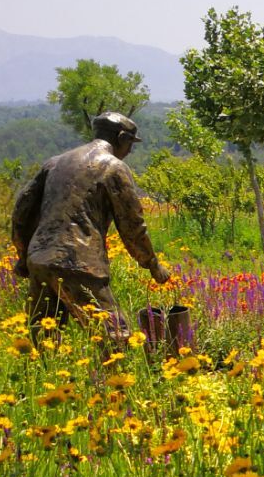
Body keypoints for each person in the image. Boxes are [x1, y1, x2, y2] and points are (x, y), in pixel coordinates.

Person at [11, 111, 168, 339]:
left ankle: (47, 375)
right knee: (115, 336)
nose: (130, 151)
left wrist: (23, 255)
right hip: (78, 261)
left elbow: (21, 211)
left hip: (39, 259)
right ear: (122, 138)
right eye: (130, 144)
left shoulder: (54, 163)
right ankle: (117, 375)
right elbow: (132, 226)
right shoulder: (113, 167)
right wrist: (152, 264)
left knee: (45, 338)